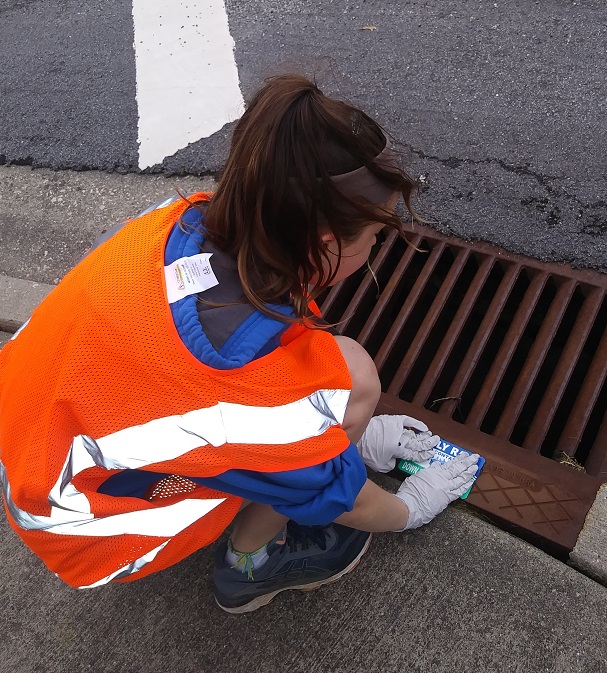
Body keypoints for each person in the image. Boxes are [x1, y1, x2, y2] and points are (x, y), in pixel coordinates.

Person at [0, 74, 479, 613]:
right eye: (373, 236)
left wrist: (334, 441)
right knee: (325, 416)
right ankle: (250, 565)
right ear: (325, 243)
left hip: (34, 440)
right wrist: (409, 509)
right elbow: (338, 497)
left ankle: (318, 449)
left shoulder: (181, 222)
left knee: (347, 378)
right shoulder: (239, 378)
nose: (374, 247)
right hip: (93, 529)